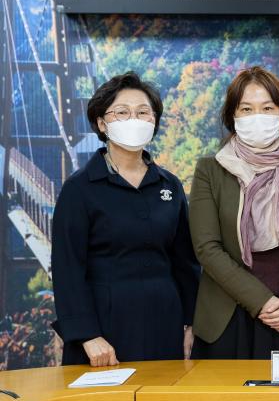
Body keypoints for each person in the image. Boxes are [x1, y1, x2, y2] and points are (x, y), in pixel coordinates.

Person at [52, 72, 199, 366]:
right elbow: (67, 268)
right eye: (122, 112)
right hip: (103, 331)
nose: (134, 119)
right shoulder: (79, 188)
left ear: (154, 121)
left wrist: (191, 323)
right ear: (102, 123)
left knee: (163, 395)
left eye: (143, 112)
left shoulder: (170, 185)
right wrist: (87, 335)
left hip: (164, 323)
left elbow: (186, 262)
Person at [190, 67, 279, 359]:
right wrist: (262, 302)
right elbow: (207, 248)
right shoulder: (210, 169)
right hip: (230, 315)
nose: (257, 117)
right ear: (233, 117)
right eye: (246, 109)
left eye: (267, 108)